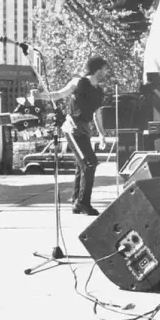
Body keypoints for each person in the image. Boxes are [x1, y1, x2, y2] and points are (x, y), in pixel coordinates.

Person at [31, 56, 110, 215]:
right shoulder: (78, 82)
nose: (107, 72)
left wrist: (102, 134)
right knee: (90, 163)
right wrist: (39, 96)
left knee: (82, 165)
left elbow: (97, 114)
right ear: (98, 69)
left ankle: (76, 202)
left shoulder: (99, 91)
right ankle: (83, 202)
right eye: (105, 69)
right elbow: (58, 94)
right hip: (72, 127)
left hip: (85, 129)